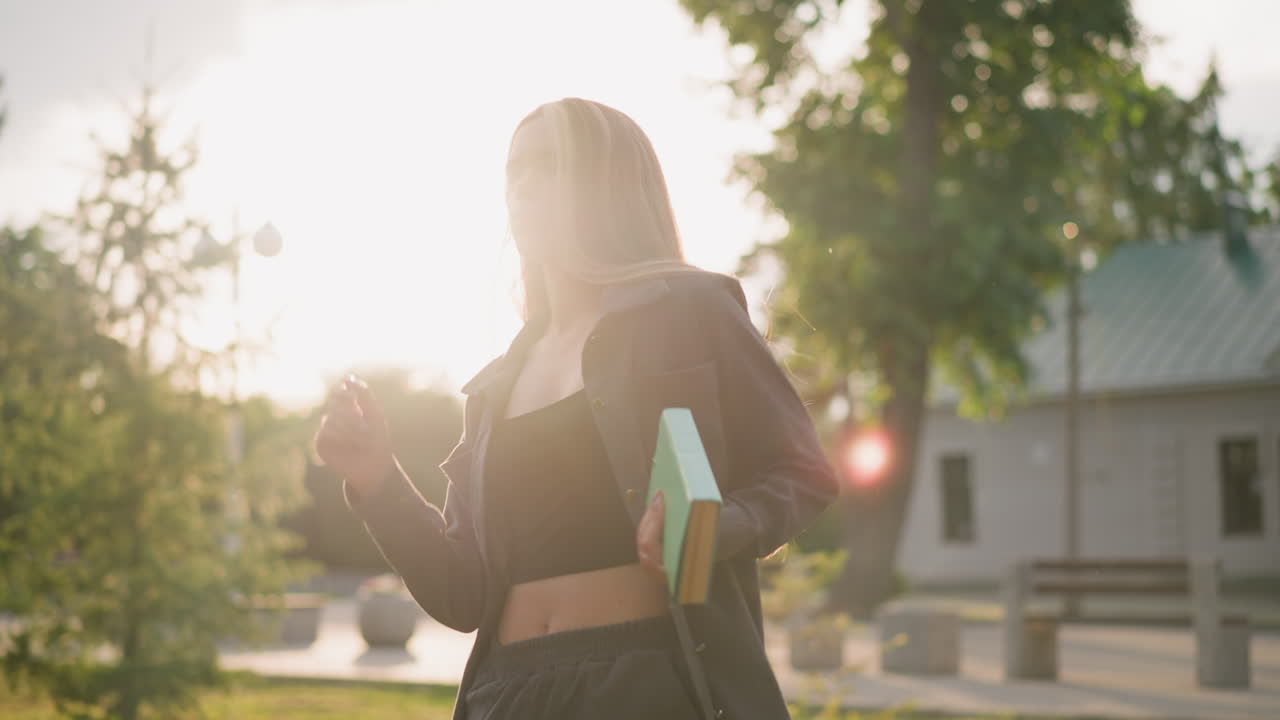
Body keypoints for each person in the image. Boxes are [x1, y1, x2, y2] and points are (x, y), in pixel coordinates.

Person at [315, 97, 839, 720]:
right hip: (503, 694)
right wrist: (377, 481)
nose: (525, 185)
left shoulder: (692, 309)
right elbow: (462, 594)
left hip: (643, 685)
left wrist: (712, 528)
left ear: (608, 183)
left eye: (550, 165)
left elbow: (803, 474)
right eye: (516, 170)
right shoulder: (493, 386)